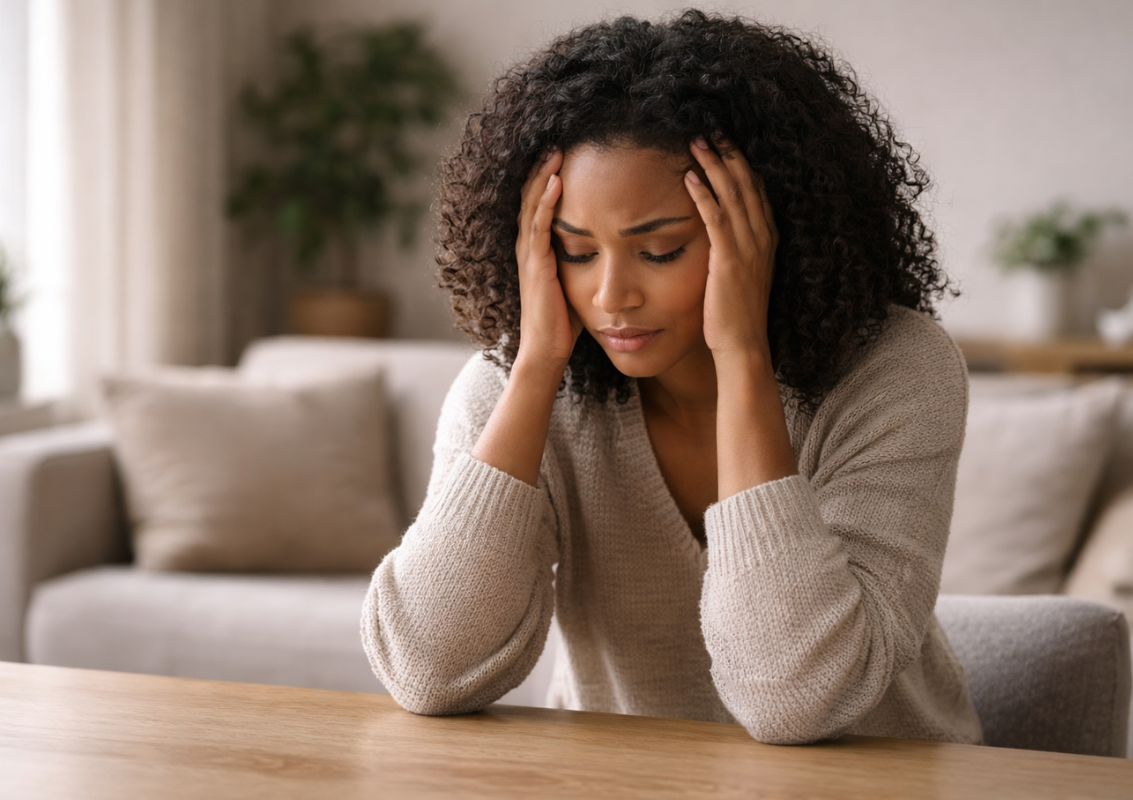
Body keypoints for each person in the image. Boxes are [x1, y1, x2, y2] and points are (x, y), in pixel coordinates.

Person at [362, 9, 984, 746]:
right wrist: (532, 371)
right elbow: (428, 670)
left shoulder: (896, 371)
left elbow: (798, 700)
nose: (611, 297)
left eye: (659, 252)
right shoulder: (514, 384)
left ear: (767, 232)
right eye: (577, 252)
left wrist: (743, 357)